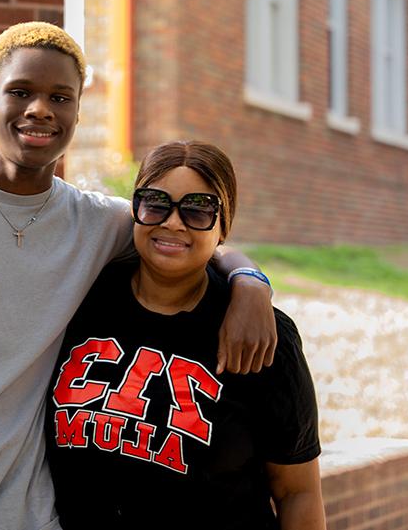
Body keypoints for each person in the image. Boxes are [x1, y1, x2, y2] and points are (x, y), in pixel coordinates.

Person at [0, 22, 277, 530]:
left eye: (61, 96)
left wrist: (251, 282)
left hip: (30, 517)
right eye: (21, 91)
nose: (41, 109)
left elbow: (183, 233)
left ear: (78, 111)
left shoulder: (99, 223)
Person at [46, 141, 325, 530]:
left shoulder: (261, 334)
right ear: (136, 210)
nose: (173, 222)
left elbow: (298, 492)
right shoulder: (81, 299)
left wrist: (250, 283)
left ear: (223, 227)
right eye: (156, 202)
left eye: (198, 210)